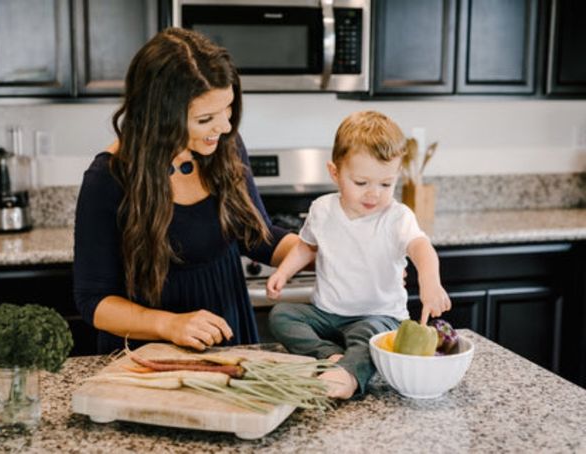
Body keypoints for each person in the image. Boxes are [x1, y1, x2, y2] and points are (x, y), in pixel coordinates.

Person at [73, 28, 298, 355]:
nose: (223, 127)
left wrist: (317, 252)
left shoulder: (224, 146)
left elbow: (255, 236)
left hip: (229, 340)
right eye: (206, 118)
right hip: (149, 357)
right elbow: (94, 301)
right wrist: (170, 324)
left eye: (229, 108)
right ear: (160, 116)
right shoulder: (108, 178)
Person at [266, 111, 451, 399]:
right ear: (335, 173)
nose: (373, 194)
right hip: (327, 314)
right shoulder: (322, 209)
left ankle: (350, 376)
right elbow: (306, 246)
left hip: (380, 316)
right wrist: (283, 272)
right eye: (362, 183)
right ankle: (330, 356)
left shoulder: (397, 217)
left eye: (386, 184)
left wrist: (430, 281)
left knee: (370, 336)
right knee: (282, 315)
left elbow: (421, 248)